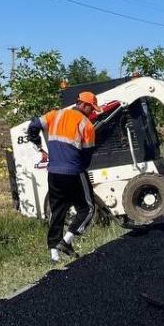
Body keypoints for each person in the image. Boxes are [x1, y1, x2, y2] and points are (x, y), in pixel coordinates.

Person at [27, 92, 100, 262]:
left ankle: (54, 255)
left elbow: (33, 125)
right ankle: (66, 241)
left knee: (58, 210)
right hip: (74, 172)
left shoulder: (55, 115)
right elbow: (87, 156)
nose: (92, 112)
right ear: (84, 105)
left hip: (53, 173)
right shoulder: (86, 125)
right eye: (91, 108)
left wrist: (38, 146)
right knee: (87, 208)